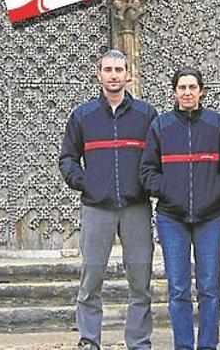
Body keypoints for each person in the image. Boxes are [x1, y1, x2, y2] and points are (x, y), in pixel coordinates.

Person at [59, 49, 158, 350]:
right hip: (96, 208)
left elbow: (156, 158)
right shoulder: (83, 116)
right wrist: (86, 183)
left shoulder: (146, 115)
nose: (114, 75)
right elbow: (67, 159)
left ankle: (139, 342)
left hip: (136, 208)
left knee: (140, 280)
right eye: (108, 69)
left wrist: (147, 185)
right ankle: (89, 340)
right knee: (91, 279)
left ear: (129, 75)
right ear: (98, 75)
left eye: (119, 69)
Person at [140, 67, 220, 350]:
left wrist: (215, 194)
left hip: (211, 218)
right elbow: (147, 172)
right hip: (172, 218)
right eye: (182, 88)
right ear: (174, 92)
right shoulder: (161, 126)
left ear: (201, 91)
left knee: (209, 289)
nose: (187, 92)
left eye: (192, 87)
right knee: (178, 289)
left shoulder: (217, 124)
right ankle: (183, 346)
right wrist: (168, 192)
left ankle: (207, 346)